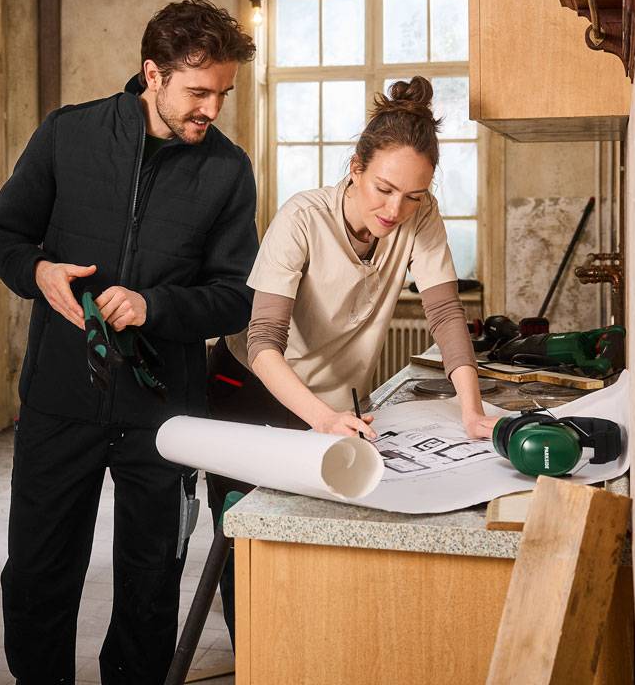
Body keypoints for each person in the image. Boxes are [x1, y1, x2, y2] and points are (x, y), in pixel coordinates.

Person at [0, 0, 259, 685]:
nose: (212, 109)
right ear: (152, 75)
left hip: (164, 414)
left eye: (223, 93)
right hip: (59, 400)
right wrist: (37, 271)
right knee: (40, 571)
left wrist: (153, 305)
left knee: (149, 581)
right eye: (198, 91)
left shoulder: (227, 170)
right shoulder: (67, 136)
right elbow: (0, 235)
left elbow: (236, 294)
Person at [206, 75, 501, 645]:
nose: (397, 209)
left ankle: (308, 660)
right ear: (355, 167)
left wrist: (472, 411)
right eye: (385, 189)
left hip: (329, 403)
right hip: (249, 386)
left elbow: (444, 316)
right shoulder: (301, 218)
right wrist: (321, 418)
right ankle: (256, 661)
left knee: (316, 547)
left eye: (414, 195)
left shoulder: (420, 214)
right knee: (250, 543)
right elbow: (265, 341)